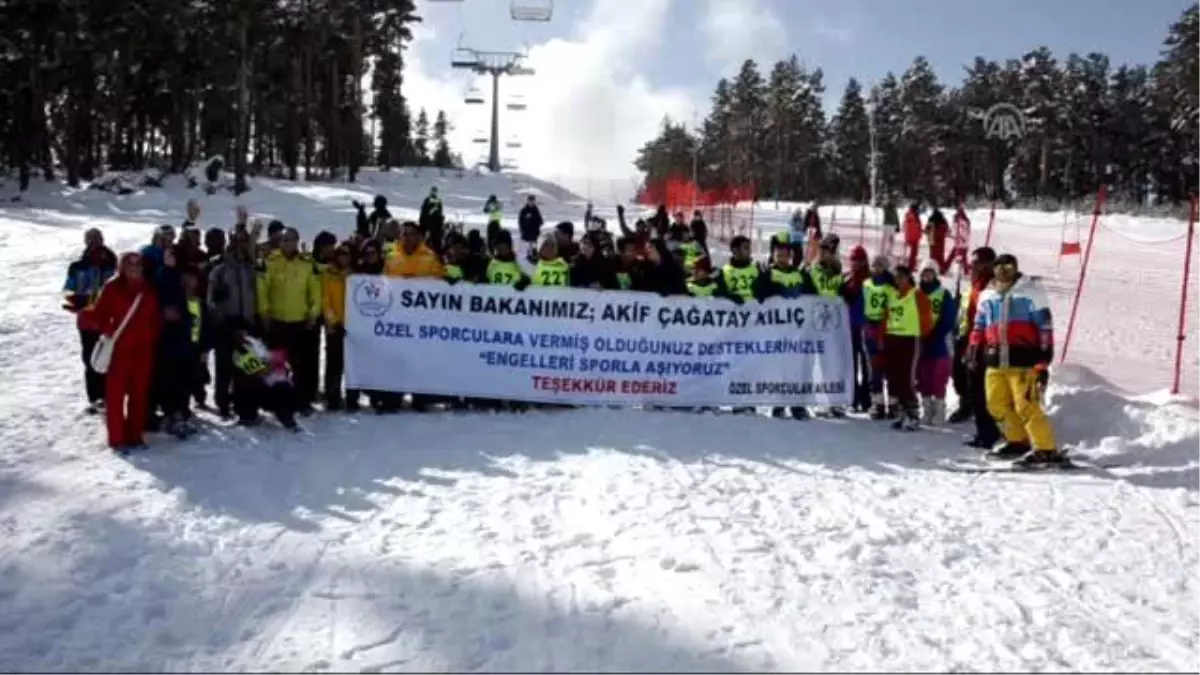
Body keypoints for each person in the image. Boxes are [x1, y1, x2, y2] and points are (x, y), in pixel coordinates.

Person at [968, 253, 1063, 466]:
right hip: (994, 360)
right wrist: (973, 350)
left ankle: (1045, 449)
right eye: (999, 267)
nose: (1003, 271)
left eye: (1008, 267)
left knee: (1026, 405)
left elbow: (1044, 327)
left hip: (1023, 360)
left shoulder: (1031, 292)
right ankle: (1017, 440)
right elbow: (979, 325)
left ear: (1016, 268)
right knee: (995, 405)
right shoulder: (987, 295)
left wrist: (1043, 359)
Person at [88, 252, 162, 451]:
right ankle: (117, 438)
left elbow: (155, 319)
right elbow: (97, 316)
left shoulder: (148, 289)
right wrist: (109, 330)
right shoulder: (112, 287)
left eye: (138, 265)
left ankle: (135, 435)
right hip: (119, 350)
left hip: (143, 351)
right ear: (122, 267)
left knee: (139, 395)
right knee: (115, 396)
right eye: (130, 265)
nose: (134, 269)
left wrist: (150, 337)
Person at [256, 227, 321, 414]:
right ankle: (277, 401)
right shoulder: (270, 262)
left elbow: (315, 292)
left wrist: (313, 313)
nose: (288, 243)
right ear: (280, 242)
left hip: (299, 322)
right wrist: (264, 313)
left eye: (292, 240)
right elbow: (263, 289)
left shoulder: (307, 264)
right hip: (276, 322)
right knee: (276, 364)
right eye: (285, 240)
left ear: (297, 241)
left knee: (300, 365)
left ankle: (301, 402)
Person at [952, 248, 1003, 450]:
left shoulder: (992, 286)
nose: (972, 267)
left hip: (986, 343)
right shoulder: (975, 285)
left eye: (976, 263)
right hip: (970, 338)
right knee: (969, 383)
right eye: (972, 263)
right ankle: (983, 429)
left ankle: (990, 432)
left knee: (983, 390)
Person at [757, 237, 813, 421]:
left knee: (799, 368)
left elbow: (813, 297)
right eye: (777, 255)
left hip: (798, 331)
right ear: (773, 256)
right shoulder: (769, 273)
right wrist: (764, 278)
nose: (781, 258)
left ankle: (798, 406)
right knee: (779, 368)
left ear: (790, 256)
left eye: (784, 255)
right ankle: (778, 403)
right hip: (777, 330)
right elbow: (759, 295)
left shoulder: (800, 275)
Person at [207, 225, 260, 418]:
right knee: (224, 368)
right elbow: (211, 301)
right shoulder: (219, 269)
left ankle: (244, 405)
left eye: (244, 241)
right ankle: (223, 404)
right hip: (227, 324)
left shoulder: (252, 268)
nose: (241, 245)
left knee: (248, 367)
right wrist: (224, 324)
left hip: (248, 323)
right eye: (236, 241)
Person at [63, 228, 118, 412]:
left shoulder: (111, 262)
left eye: (98, 238)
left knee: (107, 355)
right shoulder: (78, 266)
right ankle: (95, 397)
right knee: (89, 357)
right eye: (91, 239)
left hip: (107, 319)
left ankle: (109, 394)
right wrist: (78, 301)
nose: (95, 242)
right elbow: (69, 291)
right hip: (86, 320)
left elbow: (117, 289)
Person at [881, 264, 934, 430]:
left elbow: (927, 317)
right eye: (895, 277)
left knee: (906, 378)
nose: (898, 280)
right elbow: (886, 316)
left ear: (907, 277)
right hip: (893, 338)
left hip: (909, 340)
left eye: (901, 277)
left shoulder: (916, 294)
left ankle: (913, 414)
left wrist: (921, 332)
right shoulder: (893, 295)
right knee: (895, 378)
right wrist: (883, 335)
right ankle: (903, 413)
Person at [230, 322, 299, 430]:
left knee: (285, 386)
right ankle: (248, 415)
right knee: (248, 384)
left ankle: (286, 416)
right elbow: (257, 371)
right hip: (257, 385)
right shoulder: (239, 352)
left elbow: (281, 364)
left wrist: (274, 365)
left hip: (275, 382)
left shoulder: (271, 344)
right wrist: (268, 366)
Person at [915, 259, 958, 426]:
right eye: (924, 272)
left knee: (938, 376)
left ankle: (939, 409)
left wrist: (936, 332)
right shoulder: (916, 292)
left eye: (930, 272)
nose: (927, 275)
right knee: (922, 376)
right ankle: (926, 409)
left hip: (939, 340)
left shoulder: (943, 293)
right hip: (920, 339)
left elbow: (949, 317)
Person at [863, 255, 898, 419]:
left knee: (890, 367)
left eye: (880, 266)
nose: (876, 269)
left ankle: (892, 403)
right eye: (874, 266)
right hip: (870, 326)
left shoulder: (891, 287)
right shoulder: (867, 284)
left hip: (886, 328)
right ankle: (877, 402)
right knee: (874, 367)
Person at [321, 242, 354, 411]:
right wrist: (333, 321)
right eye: (340, 253)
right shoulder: (329, 274)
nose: (343, 257)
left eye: (347, 254)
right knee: (334, 363)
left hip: (353, 328)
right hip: (335, 327)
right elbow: (325, 301)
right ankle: (332, 396)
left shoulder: (355, 275)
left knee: (351, 364)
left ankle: (351, 396)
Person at [843, 246, 872, 412]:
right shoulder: (847, 279)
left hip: (866, 327)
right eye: (853, 260)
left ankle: (866, 396)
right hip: (851, 327)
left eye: (859, 261)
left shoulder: (870, 280)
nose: (855, 264)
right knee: (851, 363)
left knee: (867, 365)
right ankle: (852, 397)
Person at [419, 186, 446, 254]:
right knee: (435, 240)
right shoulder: (436, 200)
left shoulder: (428, 200)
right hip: (432, 222)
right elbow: (439, 212)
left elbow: (424, 211)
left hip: (430, 222)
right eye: (433, 191)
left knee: (427, 238)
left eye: (434, 191)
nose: (433, 193)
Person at [924, 204, 950, 275]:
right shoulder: (943, 220)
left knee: (932, 255)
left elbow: (927, 230)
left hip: (932, 239)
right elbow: (947, 229)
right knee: (940, 256)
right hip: (941, 240)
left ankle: (933, 269)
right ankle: (941, 269)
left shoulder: (931, 219)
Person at [950, 205, 971, 275]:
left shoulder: (962, 222)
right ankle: (966, 271)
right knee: (963, 258)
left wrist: (959, 237)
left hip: (961, 243)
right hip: (961, 242)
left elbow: (962, 231)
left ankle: (966, 271)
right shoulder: (964, 220)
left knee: (957, 256)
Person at [902, 202, 923, 270]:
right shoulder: (913, 216)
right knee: (913, 254)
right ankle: (911, 266)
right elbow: (914, 227)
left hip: (912, 237)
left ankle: (911, 265)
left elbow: (907, 227)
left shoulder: (909, 215)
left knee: (912, 253)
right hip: (913, 237)